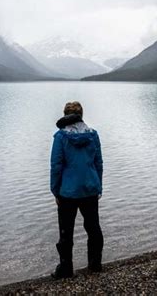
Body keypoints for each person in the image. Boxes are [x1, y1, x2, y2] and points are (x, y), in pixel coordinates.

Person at [50, 101, 104, 279]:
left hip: (68, 192)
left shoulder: (61, 136)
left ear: (65, 115)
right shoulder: (92, 134)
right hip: (90, 189)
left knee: (66, 231)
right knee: (93, 228)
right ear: (81, 115)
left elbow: (56, 166)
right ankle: (95, 265)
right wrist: (98, 186)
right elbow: (98, 163)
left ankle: (66, 269)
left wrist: (55, 190)